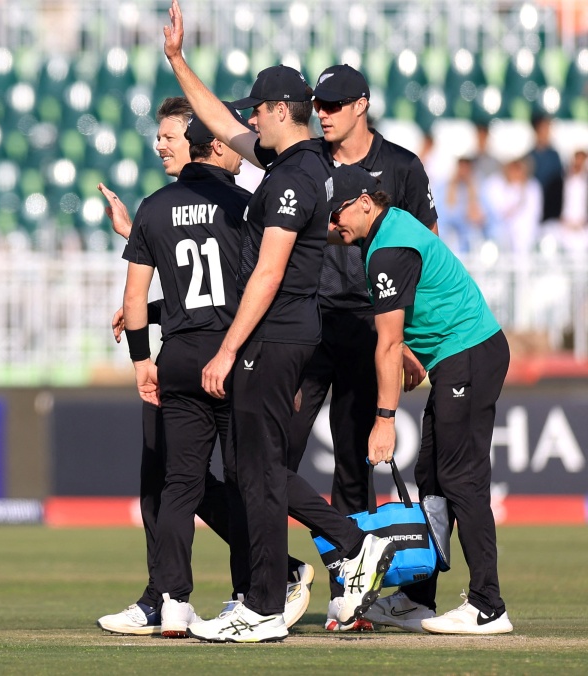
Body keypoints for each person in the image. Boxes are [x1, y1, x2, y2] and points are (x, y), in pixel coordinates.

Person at [161, 0, 396, 642]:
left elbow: (268, 271)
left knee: (258, 473)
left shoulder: (293, 179)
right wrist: (178, 61)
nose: (247, 121)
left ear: (280, 112)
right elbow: (215, 120)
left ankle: (266, 605)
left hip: (274, 335)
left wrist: (225, 349)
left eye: (256, 111)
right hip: (284, 335)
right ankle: (334, 549)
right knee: (254, 470)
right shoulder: (295, 164)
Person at [96, 98, 313, 637]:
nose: (162, 146)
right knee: (251, 479)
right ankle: (258, 588)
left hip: (181, 356)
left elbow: (137, 294)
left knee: (180, 487)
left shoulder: (152, 207)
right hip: (240, 353)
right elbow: (259, 277)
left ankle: (172, 601)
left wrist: (142, 359)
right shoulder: (246, 205)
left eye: (169, 137)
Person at [328, 164, 513, 635]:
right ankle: (417, 599)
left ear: (365, 202)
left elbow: (387, 343)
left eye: (337, 214)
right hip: (459, 355)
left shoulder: (387, 250)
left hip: (467, 353)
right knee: (432, 475)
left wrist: (385, 419)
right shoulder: (385, 230)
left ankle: (488, 605)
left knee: (459, 477)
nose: (333, 225)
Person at [288, 64, 439, 632]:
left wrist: (404, 339)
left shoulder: (401, 167)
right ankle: (268, 581)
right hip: (305, 324)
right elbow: (236, 140)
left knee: (353, 468)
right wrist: (179, 64)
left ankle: (347, 598)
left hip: (367, 328)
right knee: (275, 454)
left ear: (362, 105)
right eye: (317, 104)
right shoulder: (305, 161)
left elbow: (424, 253)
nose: (322, 112)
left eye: (332, 103)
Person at [529, 113, 564, 224]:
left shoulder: (555, 156)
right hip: (533, 210)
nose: (547, 132)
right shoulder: (529, 156)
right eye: (544, 128)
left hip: (551, 211)